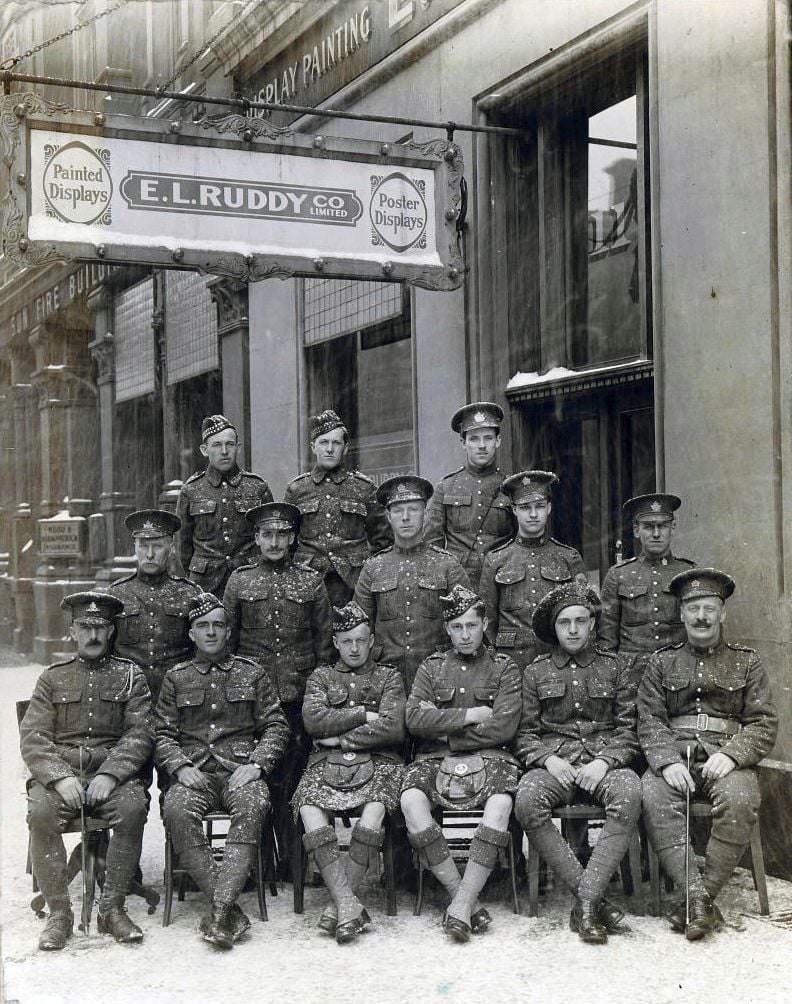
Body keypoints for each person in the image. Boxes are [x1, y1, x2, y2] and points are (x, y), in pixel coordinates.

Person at [638, 568, 777, 940]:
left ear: (723, 614)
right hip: (676, 756)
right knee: (651, 794)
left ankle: (700, 898)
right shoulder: (661, 662)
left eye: (710, 608)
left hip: (726, 759)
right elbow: (649, 719)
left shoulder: (748, 662)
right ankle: (698, 900)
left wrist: (732, 755)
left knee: (741, 798)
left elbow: (763, 723)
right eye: (693, 608)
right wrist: (666, 761)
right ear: (681, 614)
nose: (701, 616)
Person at [156, 592, 290, 949]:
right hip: (194, 773)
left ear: (228, 631)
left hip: (240, 770)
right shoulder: (176, 678)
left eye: (218, 625)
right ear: (191, 634)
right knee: (176, 810)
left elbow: (277, 726)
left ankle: (218, 910)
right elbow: (162, 733)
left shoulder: (252, 673)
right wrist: (180, 767)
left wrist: (258, 764)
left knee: (253, 806)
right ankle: (227, 907)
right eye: (202, 626)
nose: (211, 632)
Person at [20, 592, 153, 949]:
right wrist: (60, 778)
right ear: (72, 632)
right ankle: (59, 915)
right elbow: (33, 737)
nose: (93, 635)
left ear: (111, 632)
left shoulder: (130, 677)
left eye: (101, 628)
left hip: (112, 775)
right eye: (85, 627)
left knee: (131, 810)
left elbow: (140, 734)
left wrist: (111, 774)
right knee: (42, 814)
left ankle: (112, 910)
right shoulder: (52, 678)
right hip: (63, 775)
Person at [513, 583, 642, 944]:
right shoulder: (535, 672)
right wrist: (548, 760)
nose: (572, 630)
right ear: (553, 629)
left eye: (580, 621)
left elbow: (629, 728)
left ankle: (584, 903)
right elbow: (524, 734)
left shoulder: (616, 668)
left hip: (603, 764)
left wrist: (605, 761)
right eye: (564, 622)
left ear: (592, 625)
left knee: (630, 793)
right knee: (526, 800)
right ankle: (594, 897)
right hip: (557, 764)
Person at [401, 584, 522, 942]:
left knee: (501, 803)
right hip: (436, 758)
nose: (465, 634)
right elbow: (413, 721)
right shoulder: (431, 668)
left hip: (491, 757)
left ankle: (462, 903)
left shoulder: (504, 668)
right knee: (410, 799)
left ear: (484, 624)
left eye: (472, 625)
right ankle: (463, 899)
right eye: (457, 627)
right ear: (447, 628)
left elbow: (503, 726)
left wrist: (444, 727)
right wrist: (470, 714)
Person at [223, 501, 334, 874]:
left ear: (292, 539)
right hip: (252, 698)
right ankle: (259, 861)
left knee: (293, 778)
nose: (274, 541)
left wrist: (317, 695)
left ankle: (293, 859)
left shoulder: (310, 581)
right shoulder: (239, 581)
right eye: (267, 534)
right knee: (256, 777)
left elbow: (323, 643)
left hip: (297, 694)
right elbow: (229, 642)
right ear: (256, 538)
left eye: (281, 535)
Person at [293, 600, 406, 944]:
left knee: (375, 811)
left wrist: (336, 737)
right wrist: (361, 716)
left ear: (371, 640)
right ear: (337, 643)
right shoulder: (321, 677)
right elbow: (313, 722)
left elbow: (393, 728)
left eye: (361, 640)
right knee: (309, 807)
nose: (355, 648)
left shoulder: (389, 677)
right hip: (324, 765)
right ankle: (347, 904)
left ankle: (338, 908)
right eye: (347, 641)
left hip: (380, 761)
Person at [354, 476, 471, 693]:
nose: (406, 517)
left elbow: (469, 626)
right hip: (386, 682)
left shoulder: (447, 564)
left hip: (439, 679)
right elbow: (358, 629)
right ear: (388, 516)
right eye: (398, 511)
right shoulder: (373, 568)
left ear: (425, 514)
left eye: (413, 509)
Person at [284, 409, 392, 607]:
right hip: (308, 584)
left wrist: (370, 578)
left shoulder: (364, 487)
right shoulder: (297, 489)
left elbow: (382, 541)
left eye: (336, 443)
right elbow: (287, 543)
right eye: (323, 442)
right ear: (313, 447)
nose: (330, 449)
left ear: (346, 447)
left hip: (353, 585)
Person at [480, 470, 586, 670]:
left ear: (549, 508)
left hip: (556, 662)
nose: (534, 514)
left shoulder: (569, 558)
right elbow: (487, 622)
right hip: (510, 663)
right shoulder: (496, 560)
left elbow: (583, 615)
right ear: (514, 510)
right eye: (525, 507)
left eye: (539, 506)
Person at [107, 509, 201, 704]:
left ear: (171, 547)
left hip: (178, 697)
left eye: (157, 546)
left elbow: (200, 653)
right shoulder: (116, 595)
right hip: (128, 697)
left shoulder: (190, 594)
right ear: (134, 547)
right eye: (143, 546)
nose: (149, 554)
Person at [598, 493, 695, 678]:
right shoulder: (618, 575)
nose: (656, 534)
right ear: (636, 530)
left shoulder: (688, 574)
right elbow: (607, 640)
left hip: (677, 672)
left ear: (673, 528)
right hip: (630, 675)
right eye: (649, 527)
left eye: (663, 526)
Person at [176, 414, 273, 595]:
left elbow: (270, 534)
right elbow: (183, 546)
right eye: (217, 445)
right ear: (204, 450)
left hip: (250, 581)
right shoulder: (191, 490)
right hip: (206, 584)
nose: (224, 451)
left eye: (229, 444)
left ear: (238, 448)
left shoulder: (257, 486)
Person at [422, 402, 514, 592]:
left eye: (488, 438)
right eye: (474, 439)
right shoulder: (446, 487)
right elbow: (432, 544)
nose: (482, 446)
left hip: (502, 582)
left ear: (498, 441)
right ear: (463, 443)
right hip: (458, 583)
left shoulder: (511, 487)